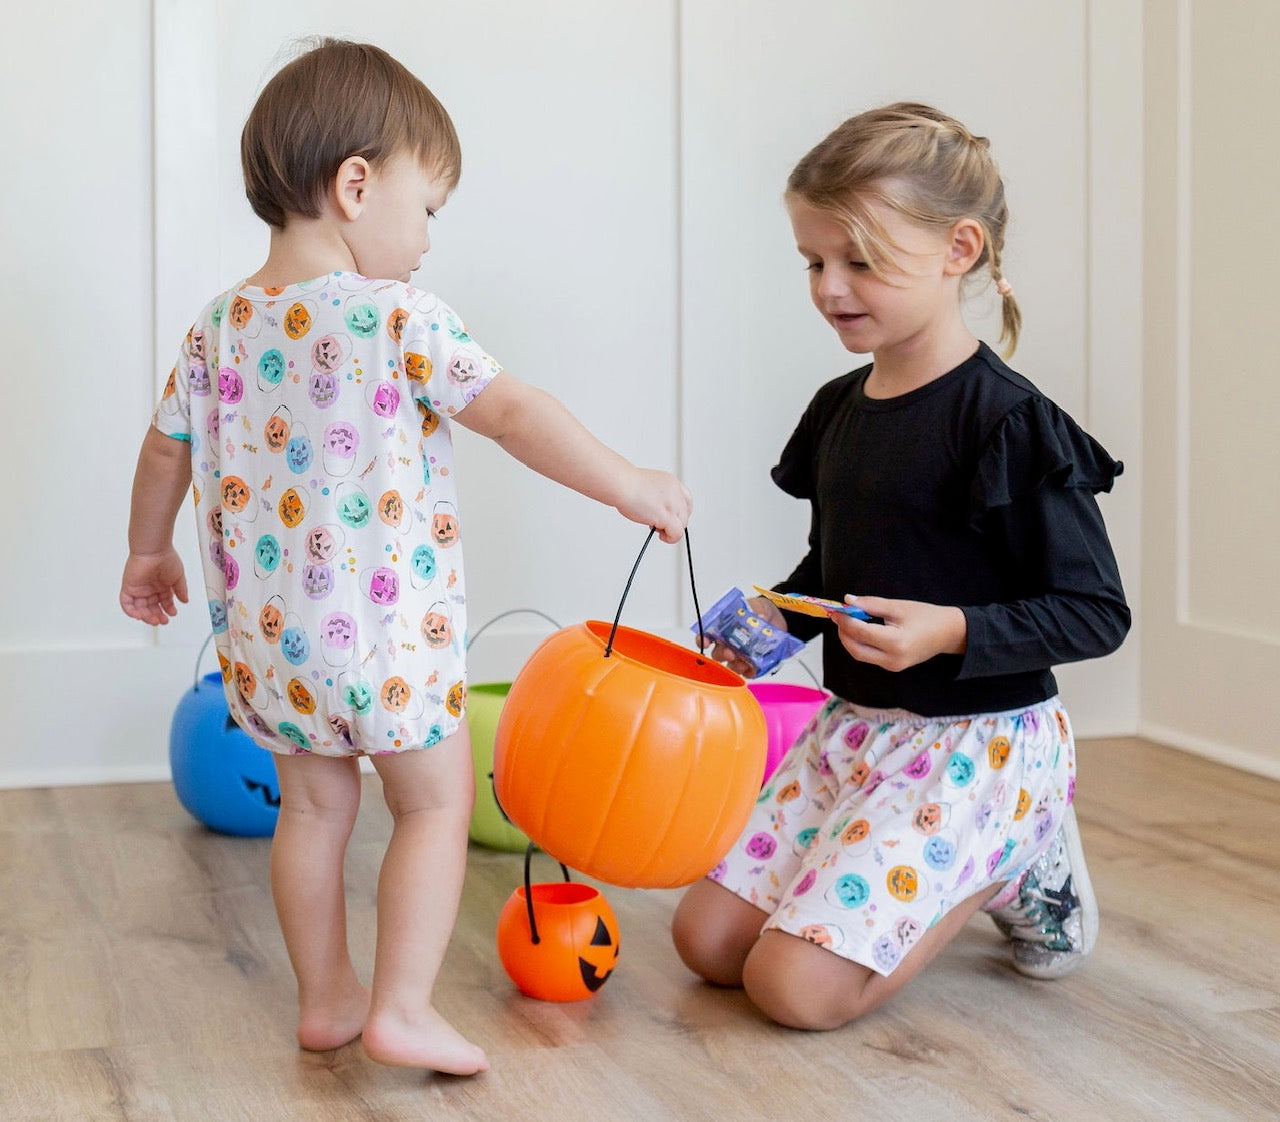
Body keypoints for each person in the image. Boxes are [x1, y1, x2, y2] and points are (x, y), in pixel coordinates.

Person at [120, 38, 691, 1075]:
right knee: (429, 804)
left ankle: (328, 1000)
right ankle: (404, 1008)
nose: (428, 238)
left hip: (272, 644)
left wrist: (145, 553)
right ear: (354, 185)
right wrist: (627, 483)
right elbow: (513, 413)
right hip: (390, 639)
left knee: (312, 808)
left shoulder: (217, 328)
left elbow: (167, 447)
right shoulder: (399, 318)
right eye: (426, 207)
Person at [671, 102, 1128, 1030]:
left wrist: (952, 630)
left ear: (960, 249)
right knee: (707, 946)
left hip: (979, 749)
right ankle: (942, 861)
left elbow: (1095, 611)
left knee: (790, 991)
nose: (829, 286)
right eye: (813, 260)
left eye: (860, 261)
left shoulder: (1009, 424)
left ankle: (1018, 856)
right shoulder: (841, 408)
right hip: (858, 729)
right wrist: (765, 623)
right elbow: (836, 568)